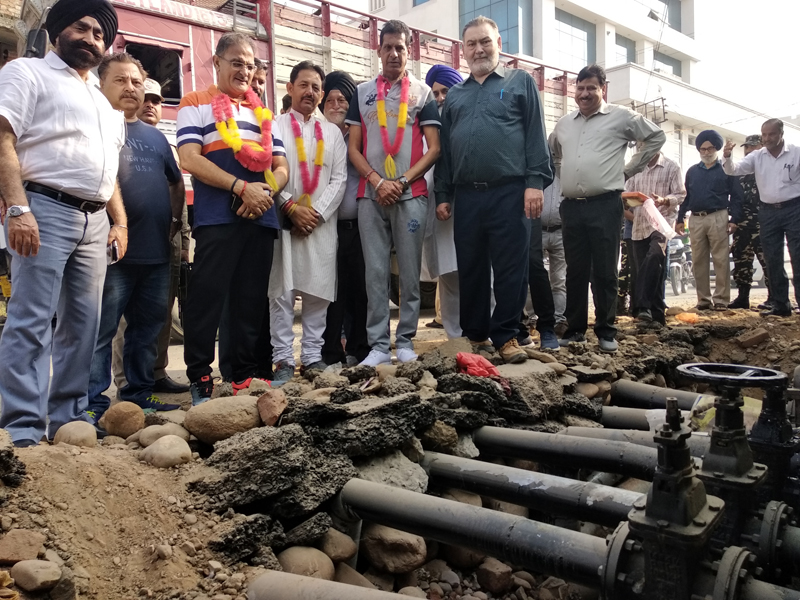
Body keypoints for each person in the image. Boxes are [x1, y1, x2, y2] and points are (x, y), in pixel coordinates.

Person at [0, 0, 126, 447]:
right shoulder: (26, 73)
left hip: (94, 222)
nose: (91, 38)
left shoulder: (103, 103)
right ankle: (22, 428)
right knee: (31, 320)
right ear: (57, 31)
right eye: (81, 27)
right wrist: (17, 207)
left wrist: (119, 222)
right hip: (43, 209)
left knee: (84, 326)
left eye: (99, 34)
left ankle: (68, 420)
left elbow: (107, 172)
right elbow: (3, 139)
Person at [177, 32, 289, 404]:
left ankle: (242, 376)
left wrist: (266, 193)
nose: (244, 70)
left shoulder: (263, 113)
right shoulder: (195, 103)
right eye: (236, 62)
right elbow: (190, 159)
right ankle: (199, 376)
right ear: (218, 63)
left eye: (250, 63)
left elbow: (281, 165)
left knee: (250, 300)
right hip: (217, 216)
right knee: (207, 297)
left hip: (260, 215)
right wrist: (242, 187)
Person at [435, 16, 552, 363]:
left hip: (510, 192)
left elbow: (534, 135)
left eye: (484, 41)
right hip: (467, 195)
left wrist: (534, 183)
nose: (479, 49)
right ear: (463, 50)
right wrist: (443, 194)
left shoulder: (520, 83)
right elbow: (446, 149)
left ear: (498, 42)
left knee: (510, 267)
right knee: (469, 266)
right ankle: (475, 335)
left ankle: (506, 336)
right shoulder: (455, 95)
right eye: (471, 43)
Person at [86, 55, 185, 421]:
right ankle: (93, 404)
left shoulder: (156, 137)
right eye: (120, 80)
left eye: (137, 82)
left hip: (156, 253)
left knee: (147, 330)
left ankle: (140, 394)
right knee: (102, 331)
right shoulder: (95, 125)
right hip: (112, 253)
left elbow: (176, 181)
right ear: (101, 84)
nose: (131, 88)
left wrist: (174, 220)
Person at [346, 20, 441, 366]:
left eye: (400, 47)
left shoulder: (423, 94)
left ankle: (405, 341)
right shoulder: (362, 92)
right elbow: (353, 149)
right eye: (387, 47)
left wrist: (400, 182)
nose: (394, 53)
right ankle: (378, 346)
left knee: (410, 271)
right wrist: (376, 181)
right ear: (378, 50)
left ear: (408, 51)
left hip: (411, 193)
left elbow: (434, 148)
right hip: (370, 195)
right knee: (374, 272)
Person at [551, 64, 665, 353]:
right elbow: (552, 153)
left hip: (605, 205)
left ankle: (606, 330)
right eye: (580, 88)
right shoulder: (564, 124)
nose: (585, 93)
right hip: (572, 208)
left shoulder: (621, 117)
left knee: (604, 271)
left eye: (592, 87)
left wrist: (630, 169)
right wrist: (566, 175)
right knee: (575, 271)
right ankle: (575, 329)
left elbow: (656, 137)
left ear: (603, 89)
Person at [111, 78, 192, 396]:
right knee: (124, 319)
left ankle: (155, 373)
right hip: (127, 239)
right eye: (146, 98)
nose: (150, 105)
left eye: (156, 100)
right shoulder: (114, 134)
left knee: (158, 312)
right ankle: (125, 380)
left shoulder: (165, 144)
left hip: (166, 242)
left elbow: (179, 196)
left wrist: (183, 242)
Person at [269, 61, 347, 380]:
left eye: (316, 87)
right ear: (289, 88)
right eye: (304, 85)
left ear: (322, 93)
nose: (310, 92)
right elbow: (267, 171)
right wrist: (289, 207)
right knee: (282, 292)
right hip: (285, 221)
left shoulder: (333, 133)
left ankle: (313, 355)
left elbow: (339, 179)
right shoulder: (273, 126)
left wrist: (315, 213)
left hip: (320, 224)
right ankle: (284, 359)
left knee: (318, 292)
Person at [723, 119, 800, 317]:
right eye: (764, 135)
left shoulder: (796, 153)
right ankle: (781, 306)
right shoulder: (758, 156)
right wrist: (728, 156)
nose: (767, 139)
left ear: (781, 134)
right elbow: (733, 170)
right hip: (767, 212)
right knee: (772, 259)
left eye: (771, 134)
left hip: (794, 209)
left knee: (797, 257)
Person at [320, 71, 371, 367]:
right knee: (331, 292)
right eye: (330, 99)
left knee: (360, 291)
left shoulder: (361, 134)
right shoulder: (318, 133)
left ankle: (359, 348)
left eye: (343, 99)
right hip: (326, 227)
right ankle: (330, 352)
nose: (336, 104)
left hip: (359, 226)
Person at [676, 130, 743, 311]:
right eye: (702, 149)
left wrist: (734, 219)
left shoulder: (726, 169)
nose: (706, 152)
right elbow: (687, 197)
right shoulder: (692, 171)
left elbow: (736, 196)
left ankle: (721, 300)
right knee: (698, 260)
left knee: (721, 259)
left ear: (717, 148)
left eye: (710, 148)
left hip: (718, 216)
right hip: (696, 219)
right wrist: (680, 218)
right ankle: (703, 301)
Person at [422, 64, 463, 339]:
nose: (439, 98)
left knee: (480, 272)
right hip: (439, 207)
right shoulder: (426, 125)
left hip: (470, 203)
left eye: (445, 91)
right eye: (434, 93)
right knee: (448, 273)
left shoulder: (467, 118)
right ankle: (454, 335)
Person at [625, 149, 685, 325]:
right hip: (640, 224)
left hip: (662, 223)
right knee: (651, 268)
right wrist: (629, 199)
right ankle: (657, 317)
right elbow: (627, 192)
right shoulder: (634, 168)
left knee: (655, 256)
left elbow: (680, 194)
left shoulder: (672, 167)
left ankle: (642, 307)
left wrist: (664, 200)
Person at [727, 134, 770, 310]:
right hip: (742, 223)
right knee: (741, 259)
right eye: (746, 147)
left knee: (767, 260)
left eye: (753, 147)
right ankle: (742, 297)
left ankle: (774, 297)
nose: (749, 150)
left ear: (762, 147)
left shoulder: (768, 169)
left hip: (763, 222)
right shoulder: (739, 171)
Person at [540, 171, 567, 334]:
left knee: (559, 279)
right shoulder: (541, 171)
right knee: (534, 276)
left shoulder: (567, 173)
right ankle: (533, 318)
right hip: (538, 229)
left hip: (561, 231)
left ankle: (559, 320)